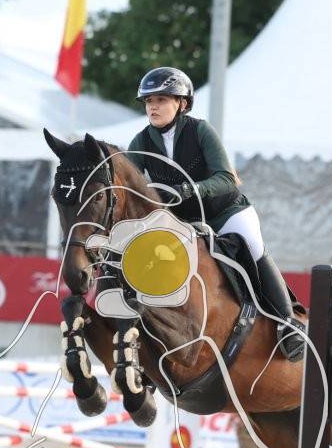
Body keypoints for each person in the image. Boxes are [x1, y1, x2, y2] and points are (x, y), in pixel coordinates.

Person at [124, 66, 303, 360]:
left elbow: (226, 179)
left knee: (254, 246)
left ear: (181, 103)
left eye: (161, 100)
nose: (152, 107)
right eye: (148, 101)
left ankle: (287, 324)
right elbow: (129, 186)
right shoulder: (141, 142)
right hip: (184, 223)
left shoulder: (200, 131)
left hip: (226, 213)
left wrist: (188, 189)